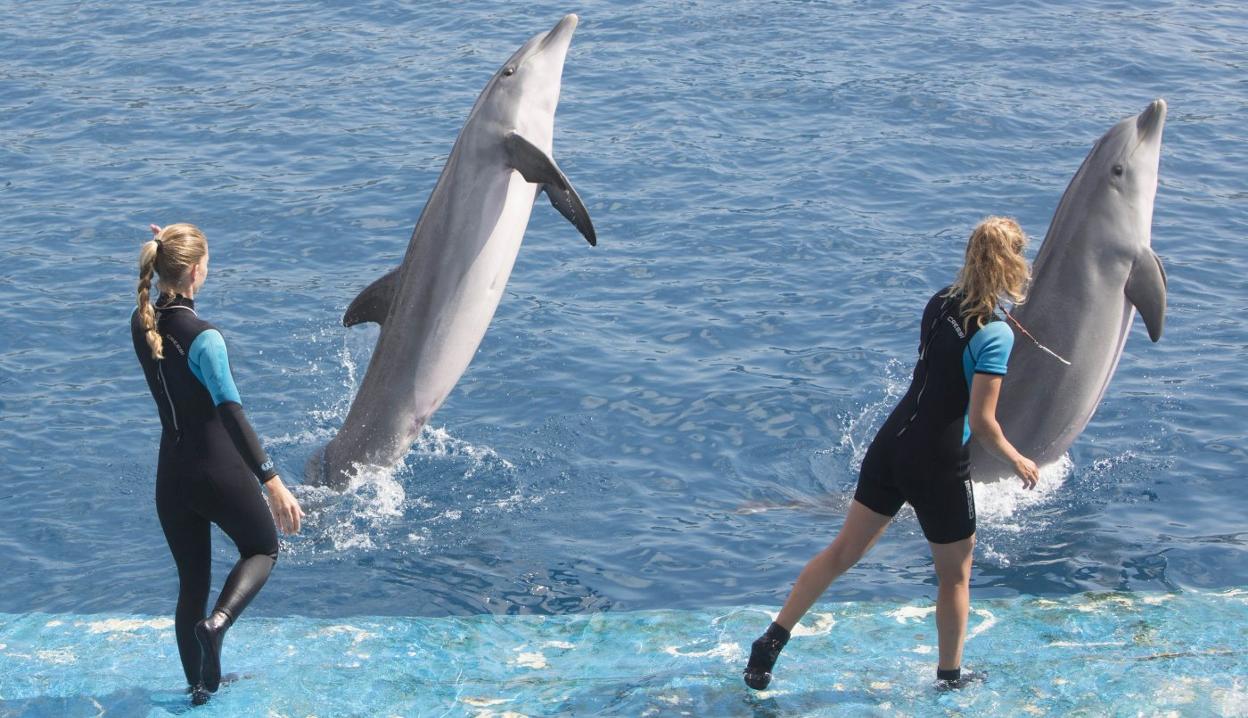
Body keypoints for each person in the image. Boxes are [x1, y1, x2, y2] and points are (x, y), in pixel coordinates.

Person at [743, 217, 1042, 692]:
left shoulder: (939, 301)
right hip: (938, 463)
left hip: (891, 445)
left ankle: (772, 640)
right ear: (1012, 263)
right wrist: (1017, 458)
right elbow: (983, 424)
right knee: (955, 577)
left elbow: (935, 373)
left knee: (842, 552)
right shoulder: (995, 334)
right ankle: (950, 677)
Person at [131, 223, 304, 705]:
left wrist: (167, 245)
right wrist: (273, 482)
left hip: (172, 477)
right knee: (263, 548)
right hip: (217, 472)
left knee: (192, 583)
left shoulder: (141, 320)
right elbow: (232, 414)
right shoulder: (207, 338)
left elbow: (162, 295)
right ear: (194, 271)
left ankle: (200, 687)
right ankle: (220, 624)